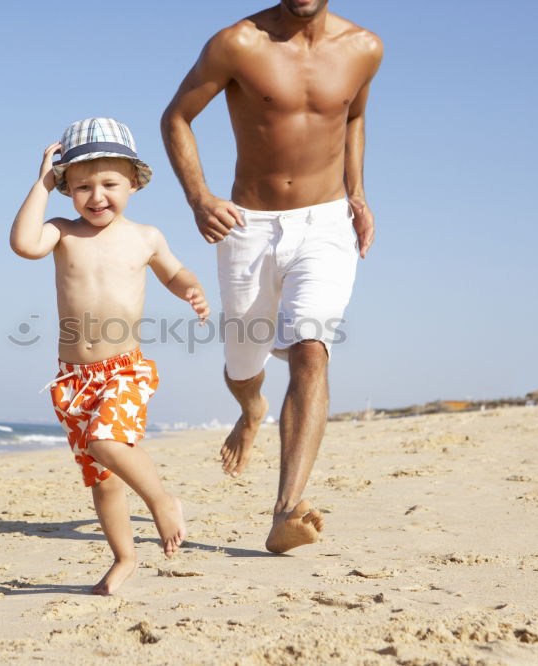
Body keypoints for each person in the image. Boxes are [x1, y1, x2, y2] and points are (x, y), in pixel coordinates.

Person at [161, 0, 383, 553]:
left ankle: (285, 509)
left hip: (326, 224)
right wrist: (198, 199)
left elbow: (352, 116)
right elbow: (176, 117)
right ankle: (252, 409)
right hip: (247, 225)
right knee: (243, 362)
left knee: (311, 348)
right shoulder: (237, 43)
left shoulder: (364, 49)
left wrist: (356, 193)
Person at [10, 117, 210, 595]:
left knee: (106, 442)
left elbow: (174, 273)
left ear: (134, 183)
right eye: (81, 186)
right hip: (73, 379)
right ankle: (124, 557)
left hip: (124, 369)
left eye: (109, 183)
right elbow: (23, 243)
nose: (96, 195)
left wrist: (193, 290)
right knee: (102, 479)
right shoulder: (61, 232)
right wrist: (41, 181)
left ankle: (162, 500)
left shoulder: (146, 237)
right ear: (66, 190)